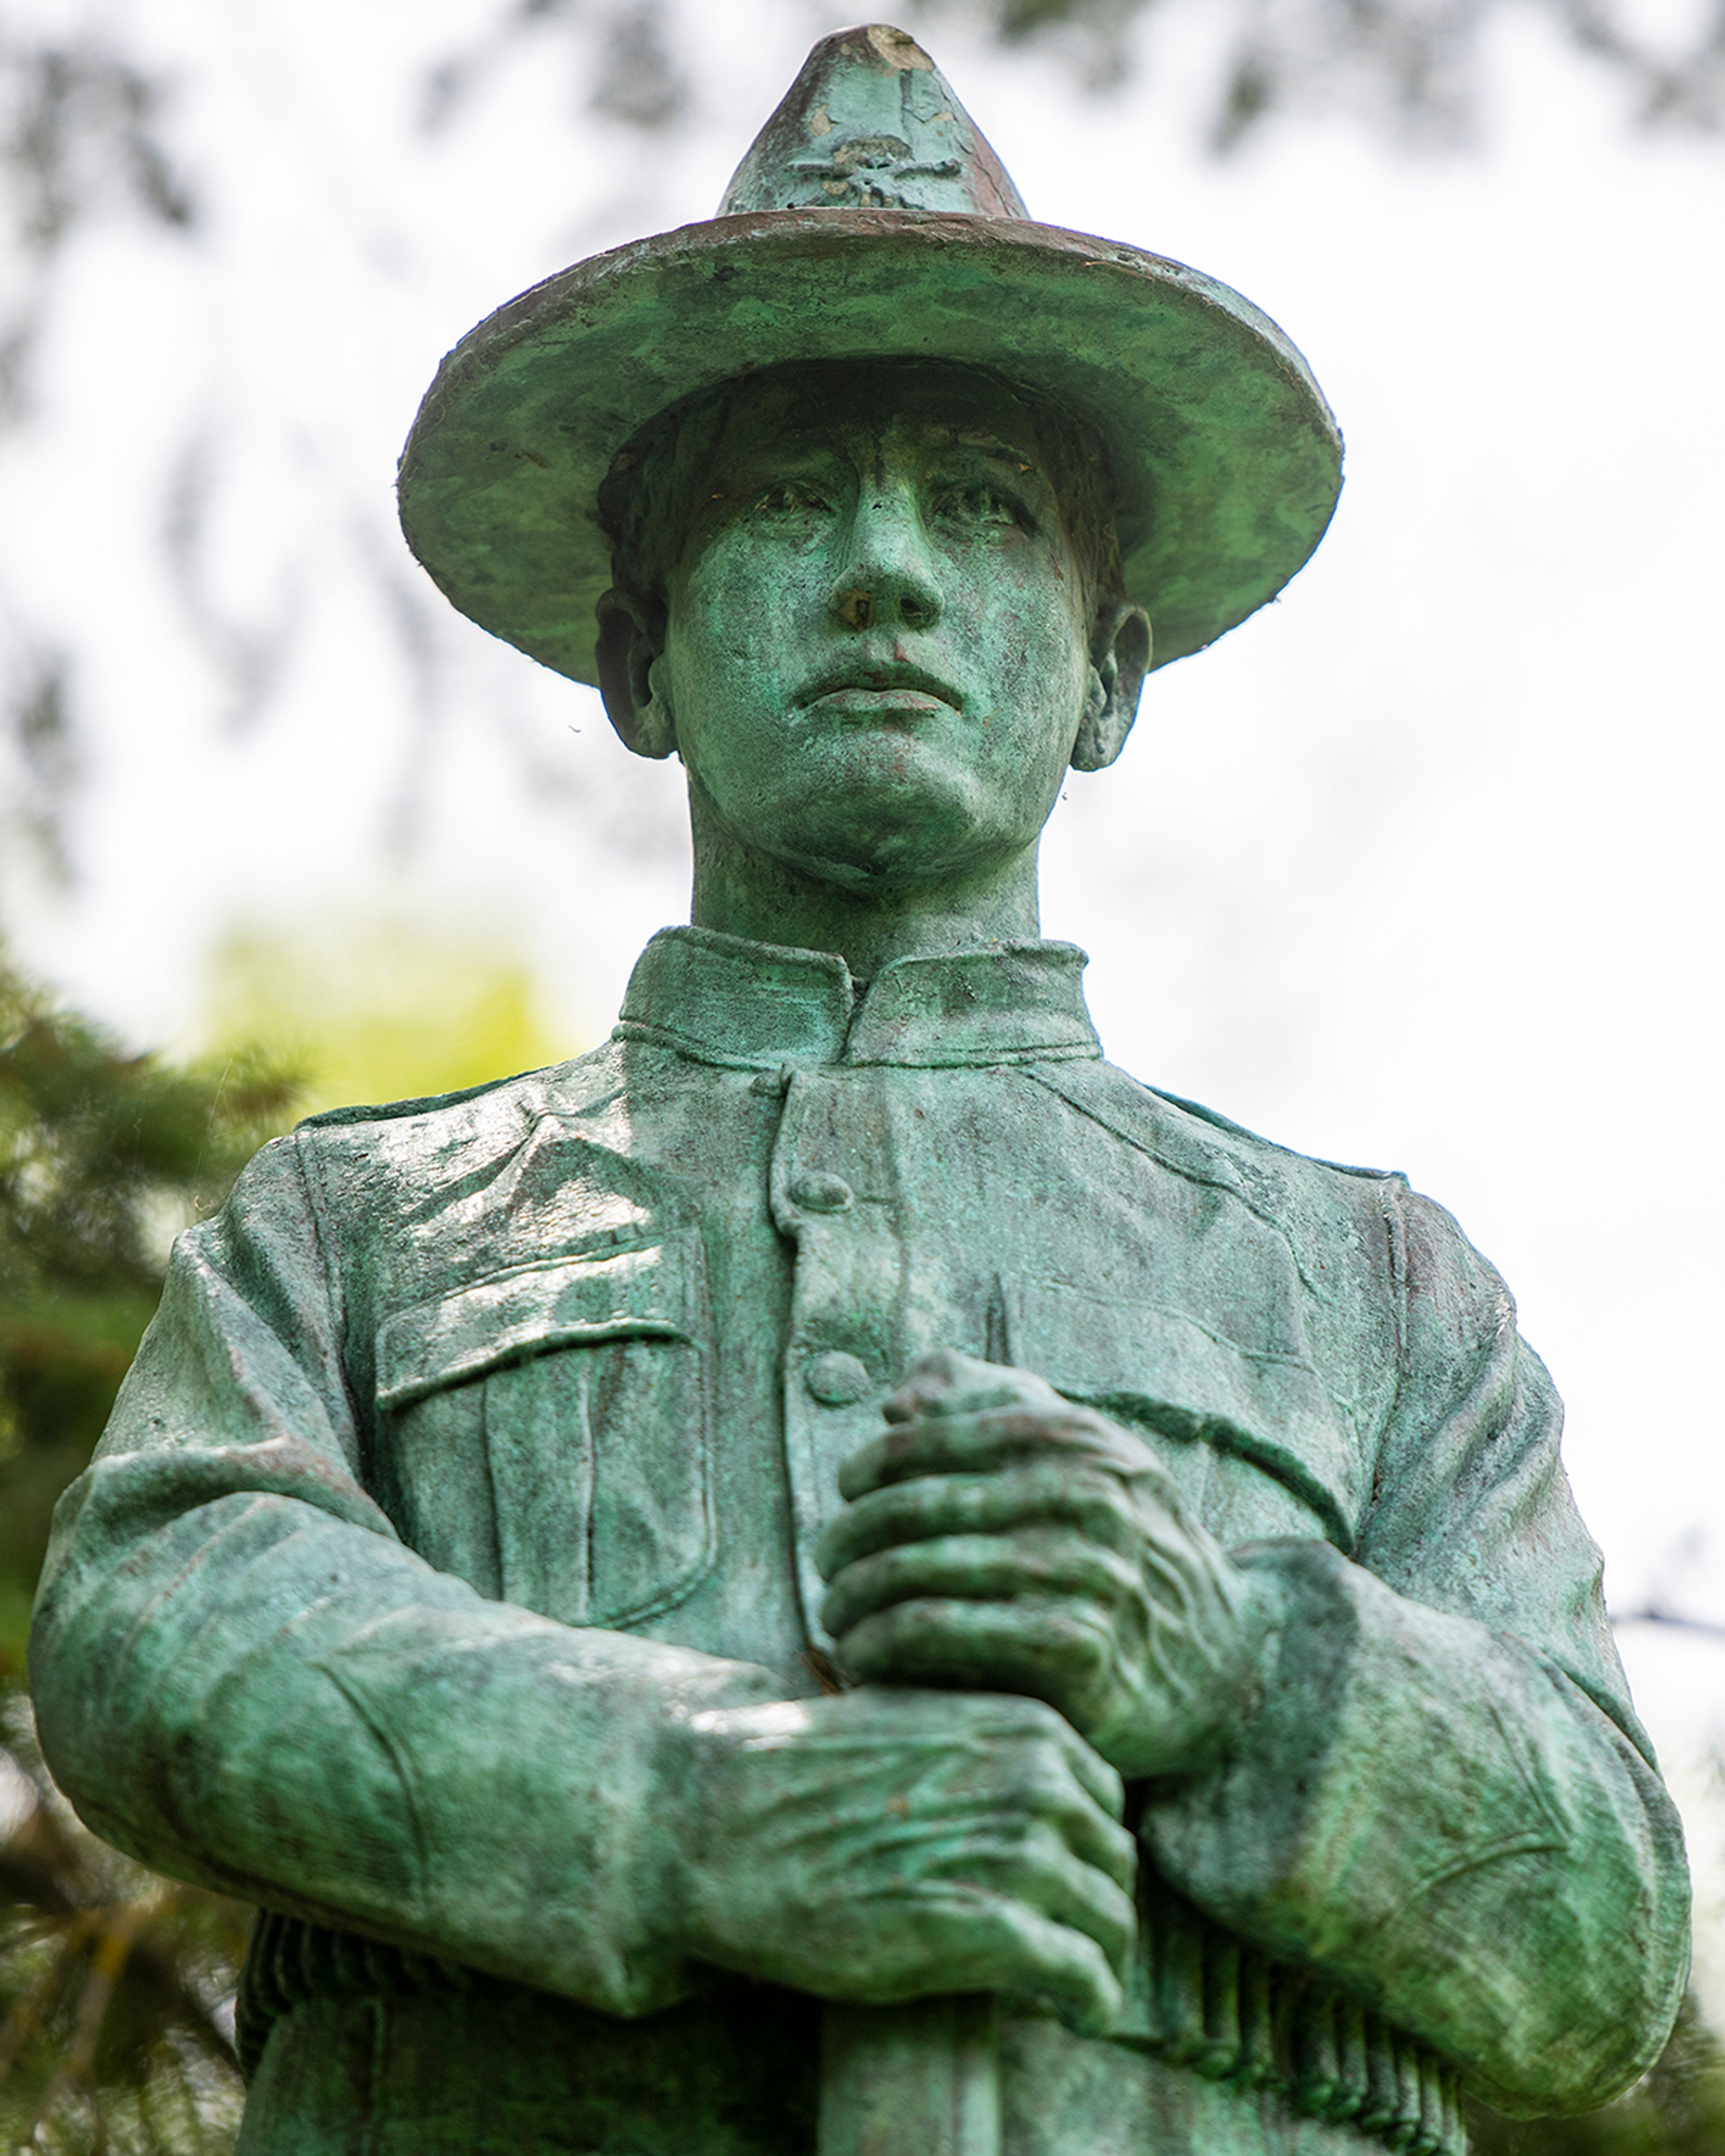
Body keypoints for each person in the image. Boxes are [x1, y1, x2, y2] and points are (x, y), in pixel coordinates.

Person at [30, 25, 1687, 2156]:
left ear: (1107, 675)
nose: (887, 569)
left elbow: (1608, 1952)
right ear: (642, 659)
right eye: (791, 499)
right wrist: (682, 1800)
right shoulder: (364, 1230)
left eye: (983, 508)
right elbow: (161, 1622)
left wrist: (1240, 1668)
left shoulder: (1371, 1290)